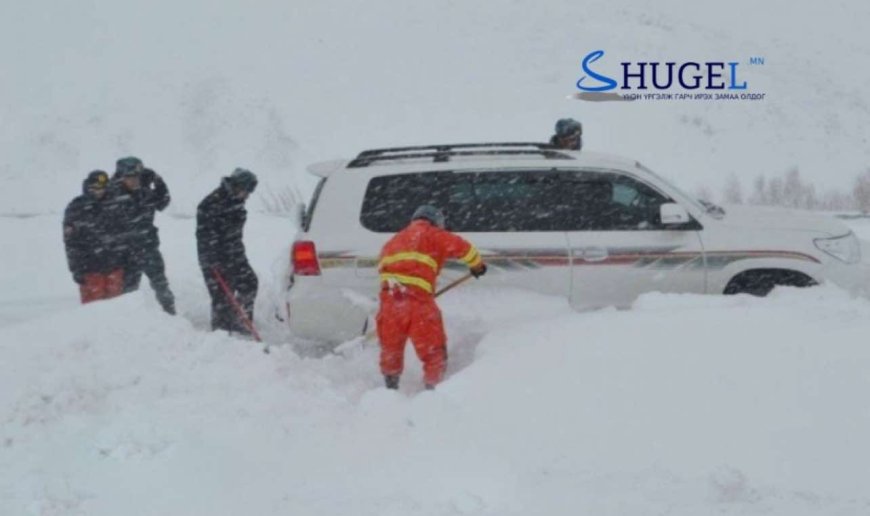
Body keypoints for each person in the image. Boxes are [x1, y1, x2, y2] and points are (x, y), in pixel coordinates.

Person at [376, 205, 487, 390]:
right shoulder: (433, 234)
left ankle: (390, 389)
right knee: (433, 351)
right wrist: (477, 266)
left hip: (390, 304)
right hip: (419, 304)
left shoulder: (392, 242)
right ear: (436, 222)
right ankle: (433, 392)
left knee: (391, 350)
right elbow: (465, 249)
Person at [110, 156, 176, 314]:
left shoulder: (145, 192)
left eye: (137, 177)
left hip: (148, 246)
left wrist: (159, 183)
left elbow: (162, 203)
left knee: (161, 285)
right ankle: (131, 321)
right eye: (130, 177)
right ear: (121, 177)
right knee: (128, 291)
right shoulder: (112, 195)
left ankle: (171, 315)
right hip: (125, 252)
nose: (134, 181)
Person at [196, 168, 259, 334]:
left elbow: (234, 234)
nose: (248, 196)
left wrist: (236, 253)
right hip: (214, 258)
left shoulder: (236, 202)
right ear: (237, 186)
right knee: (222, 295)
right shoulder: (211, 204)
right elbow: (204, 237)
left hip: (235, 254)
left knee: (250, 282)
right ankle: (222, 333)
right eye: (246, 191)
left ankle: (241, 320)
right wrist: (212, 260)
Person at [63, 170, 125, 304]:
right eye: (95, 188)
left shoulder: (115, 205)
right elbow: (71, 243)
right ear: (88, 187)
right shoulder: (76, 207)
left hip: (114, 266)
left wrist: (124, 258)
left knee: (118, 307)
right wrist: (76, 268)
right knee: (93, 310)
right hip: (89, 268)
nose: (98, 192)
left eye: (102, 188)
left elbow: (123, 234)